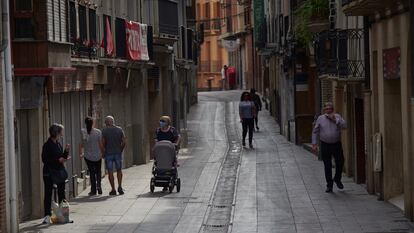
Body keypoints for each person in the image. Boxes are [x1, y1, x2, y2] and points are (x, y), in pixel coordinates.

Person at [312, 102, 347, 193]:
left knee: (340, 162)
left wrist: (335, 120)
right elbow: (315, 131)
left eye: (330, 108)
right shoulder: (320, 118)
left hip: (336, 144)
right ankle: (329, 185)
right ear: (324, 110)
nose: (329, 110)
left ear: (333, 109)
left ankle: (337, 178)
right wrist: (314, 143)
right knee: (327, 165)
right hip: (325, 144)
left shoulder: (337, 116)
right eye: (327, 109)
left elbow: (344, 126)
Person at [41, 123, 71, 224]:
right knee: (48, 193)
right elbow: (45, 159)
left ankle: (64, 215)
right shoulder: (47, 145)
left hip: (59, 171)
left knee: (62, 192)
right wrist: (58, 160)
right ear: (56, 133)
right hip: (49, 172)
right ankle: (47, 216)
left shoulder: (58, 143)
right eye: (61, 132)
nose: (62, 134)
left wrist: (66, 152)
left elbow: (61, 157)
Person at [102, 116, 126, 195]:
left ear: (106, 122)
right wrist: (120, 150)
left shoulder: (104, 131)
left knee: (110, 172)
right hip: (117, 153)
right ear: (113, 121)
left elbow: (103, 143)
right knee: (119, 170)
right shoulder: (119, 129)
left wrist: (103, 152)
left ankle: (113, 189)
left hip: (108, 154)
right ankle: (120, 186)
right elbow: (124, 141)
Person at [79, 117, 103, 196]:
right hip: (98, 155)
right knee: (98, 171)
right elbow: (100, 144)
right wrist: (103, 152)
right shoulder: (98, 132)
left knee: (92, 172)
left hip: (88, 156)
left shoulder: (83, 131)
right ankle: (99, 186)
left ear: (85, 123)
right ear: (93, 123)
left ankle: (93, 190)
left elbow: (82, 143)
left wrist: (81, 153)